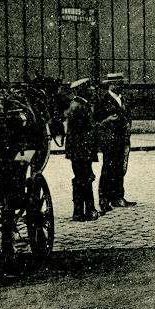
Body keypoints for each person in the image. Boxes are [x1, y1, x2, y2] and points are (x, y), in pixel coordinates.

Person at [96, 72, 135, 213]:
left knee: (120, 169)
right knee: (108, 170)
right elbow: (98, 121)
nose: (122, 86)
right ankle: (104, 199)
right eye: (119, 84)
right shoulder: (104, 100)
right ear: (111, 85)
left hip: (122, 140)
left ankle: (118, 197)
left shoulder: (122, 99)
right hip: (110, 141)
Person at [64, 78, 99, 222]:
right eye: (88, 87)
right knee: (83, 179)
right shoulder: (79, 106)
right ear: (81, 90)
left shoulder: (79, 104)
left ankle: (85, 210)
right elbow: (80, 132)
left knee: (84, 178)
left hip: (80, 149)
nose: (91, 89)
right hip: (81, 150)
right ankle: (84, 211)